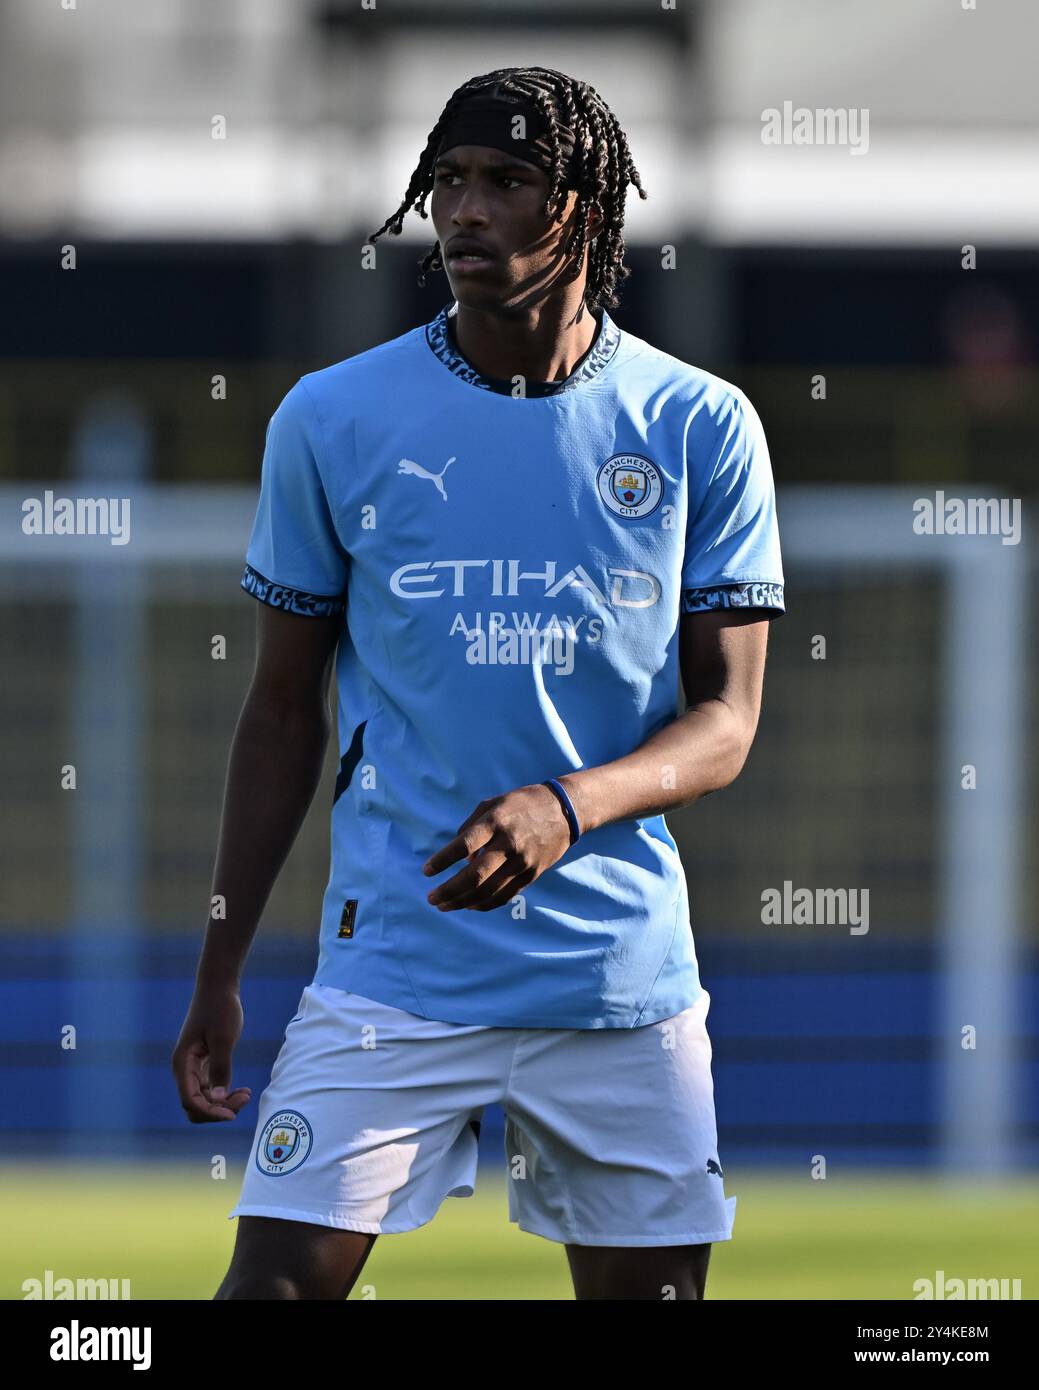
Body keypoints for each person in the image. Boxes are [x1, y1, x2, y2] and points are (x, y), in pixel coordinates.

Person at [172, 65, 785, 1301]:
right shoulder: (331, 418)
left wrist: (568, 805)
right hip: (393, 969)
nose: (465, 212)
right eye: (448, 181)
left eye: (508, 182)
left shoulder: (697, 424)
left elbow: (724, 725)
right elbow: (283, 711)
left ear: (588, 210)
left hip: (616, 985)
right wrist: (220, 969)